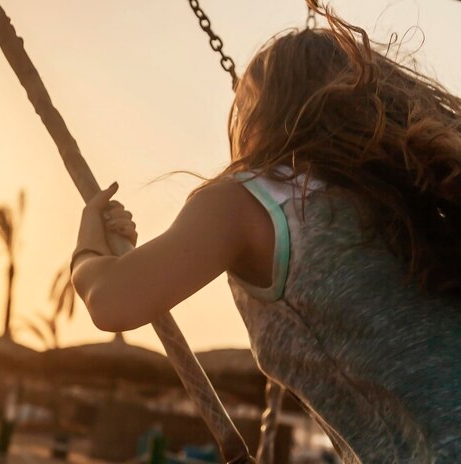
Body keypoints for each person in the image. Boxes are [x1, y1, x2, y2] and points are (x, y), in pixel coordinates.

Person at [70, 4, 460, 463]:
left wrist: (87, 247)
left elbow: (114, 299)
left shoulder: (247, 200)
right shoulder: (412, 201)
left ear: (261, 114)